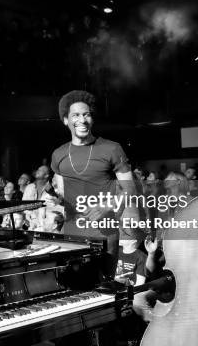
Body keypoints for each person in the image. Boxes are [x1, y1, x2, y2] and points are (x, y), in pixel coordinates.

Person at [50, 90, 138, 275]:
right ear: (66, 120)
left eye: (86, 114)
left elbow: (131, 189)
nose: (82, 120)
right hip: (72, 233)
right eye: (76, 115)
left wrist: (108, 206)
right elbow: (62, 194)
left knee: (104, 288)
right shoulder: (58, 154)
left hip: (104, 233)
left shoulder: (111, 148)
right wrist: (58, 203)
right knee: (74, 288)